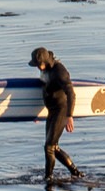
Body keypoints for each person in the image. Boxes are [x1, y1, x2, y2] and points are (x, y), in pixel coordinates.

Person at [27, 47, 82, 179]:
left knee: (49, 147)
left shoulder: (59, 72)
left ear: (45, 61)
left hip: (61, 110)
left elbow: (71, 93)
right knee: (54, 147)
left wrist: (69, 116)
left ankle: (48, 178)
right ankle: (76, 173)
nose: (38, 68)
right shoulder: (45, 69)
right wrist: (36, 112)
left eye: (39, 64)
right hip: (52, 111)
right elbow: (45, 89)